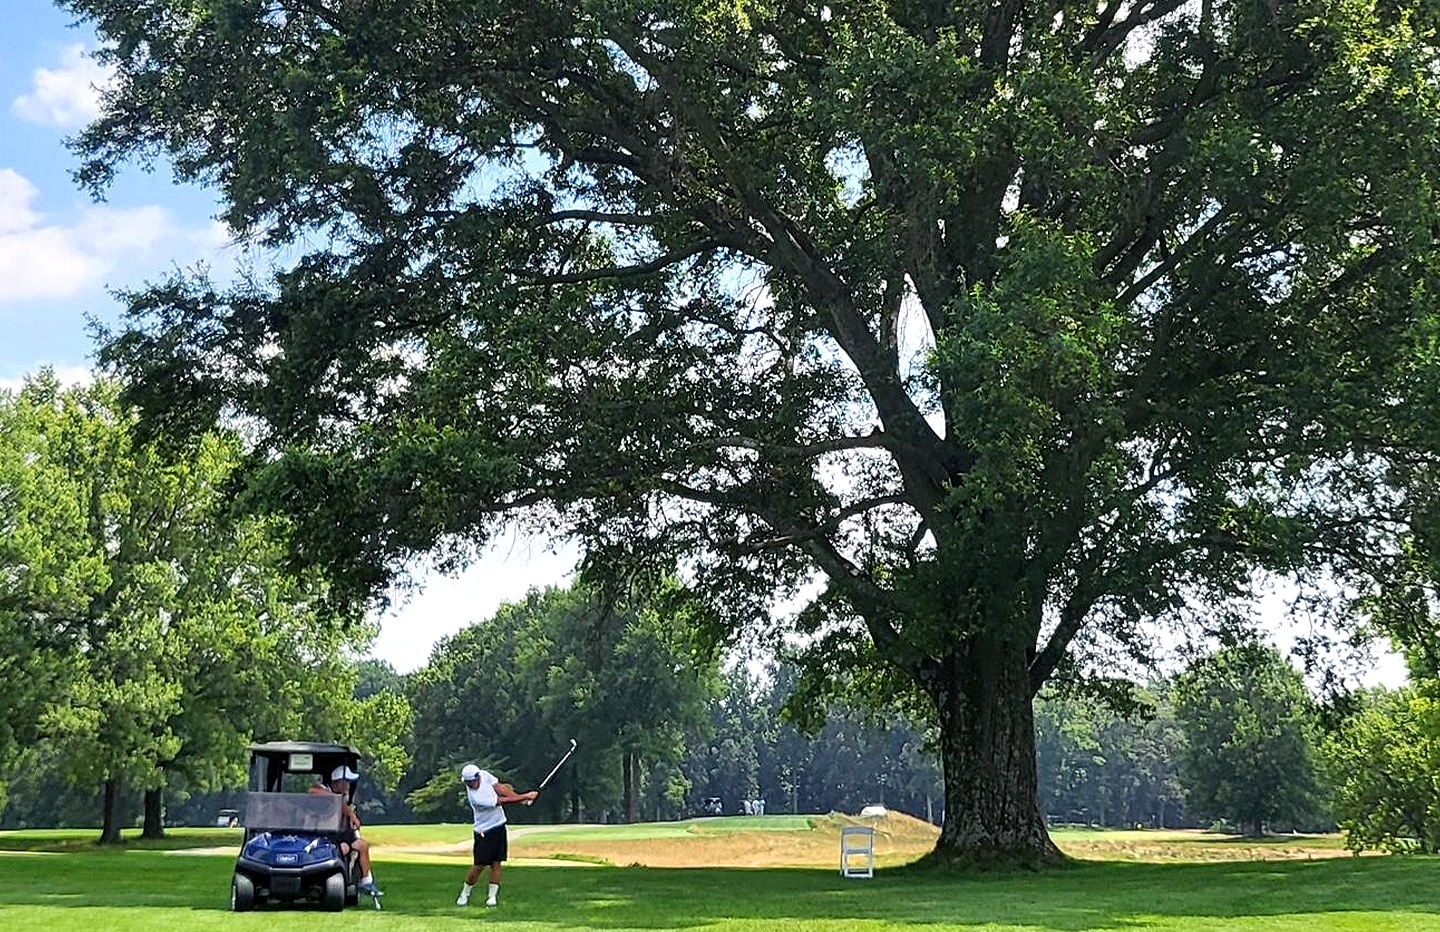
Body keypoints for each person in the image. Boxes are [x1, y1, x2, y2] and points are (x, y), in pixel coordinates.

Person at [455, 762, 537, 907]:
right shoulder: (476, 798)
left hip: (499, 825)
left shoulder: (485, 775)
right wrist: (525, 797)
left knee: (496, 863)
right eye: (467, 783)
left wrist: (520, 798)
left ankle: (492, 898)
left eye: (471, 782)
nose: (470, 785)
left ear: (477, 777)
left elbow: (502, 790)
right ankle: (464, 894)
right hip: (483, 831)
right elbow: (501, 801)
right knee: (479, 865)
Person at [309, 764, 381, 896]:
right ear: (338, 782)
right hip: (324, 835)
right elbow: (313, 791)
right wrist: (348, 812)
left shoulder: (345, 796)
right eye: (346, 781)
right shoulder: (323, 789)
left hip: (342, 834)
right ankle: (335, 880)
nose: (348, 785)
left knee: (362, 845)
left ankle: (366, 881)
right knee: (343, 849)